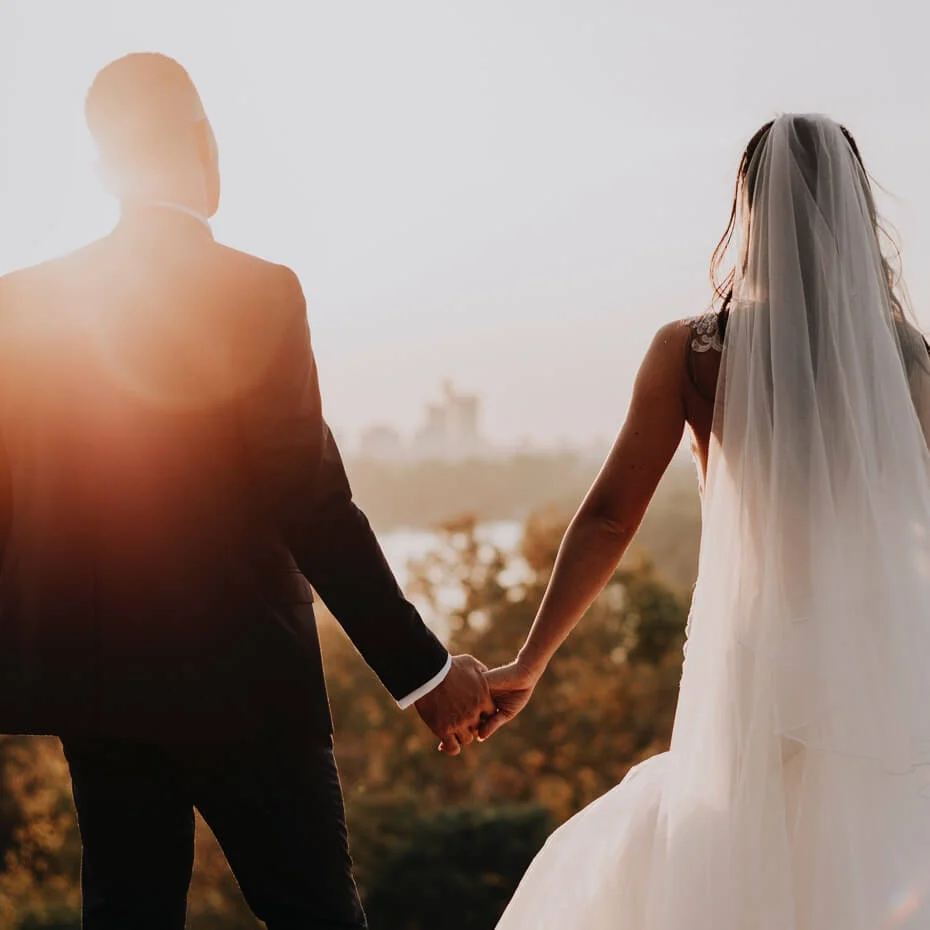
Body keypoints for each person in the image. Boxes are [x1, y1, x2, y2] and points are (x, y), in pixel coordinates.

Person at [0, 53, 493, 929]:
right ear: (205, 142)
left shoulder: (25, 305)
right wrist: (423, 674)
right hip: (251, 691)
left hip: (100, 695)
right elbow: (310, 502)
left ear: (101, 167)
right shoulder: (257, 294)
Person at [482, 114, 930, 929]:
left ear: (749, 209)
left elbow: (611, 516)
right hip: (881, 662)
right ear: (855, 215)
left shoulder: (694, 353)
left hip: (757, 658)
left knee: (734, 861)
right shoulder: (906, 358)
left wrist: (529, 661)